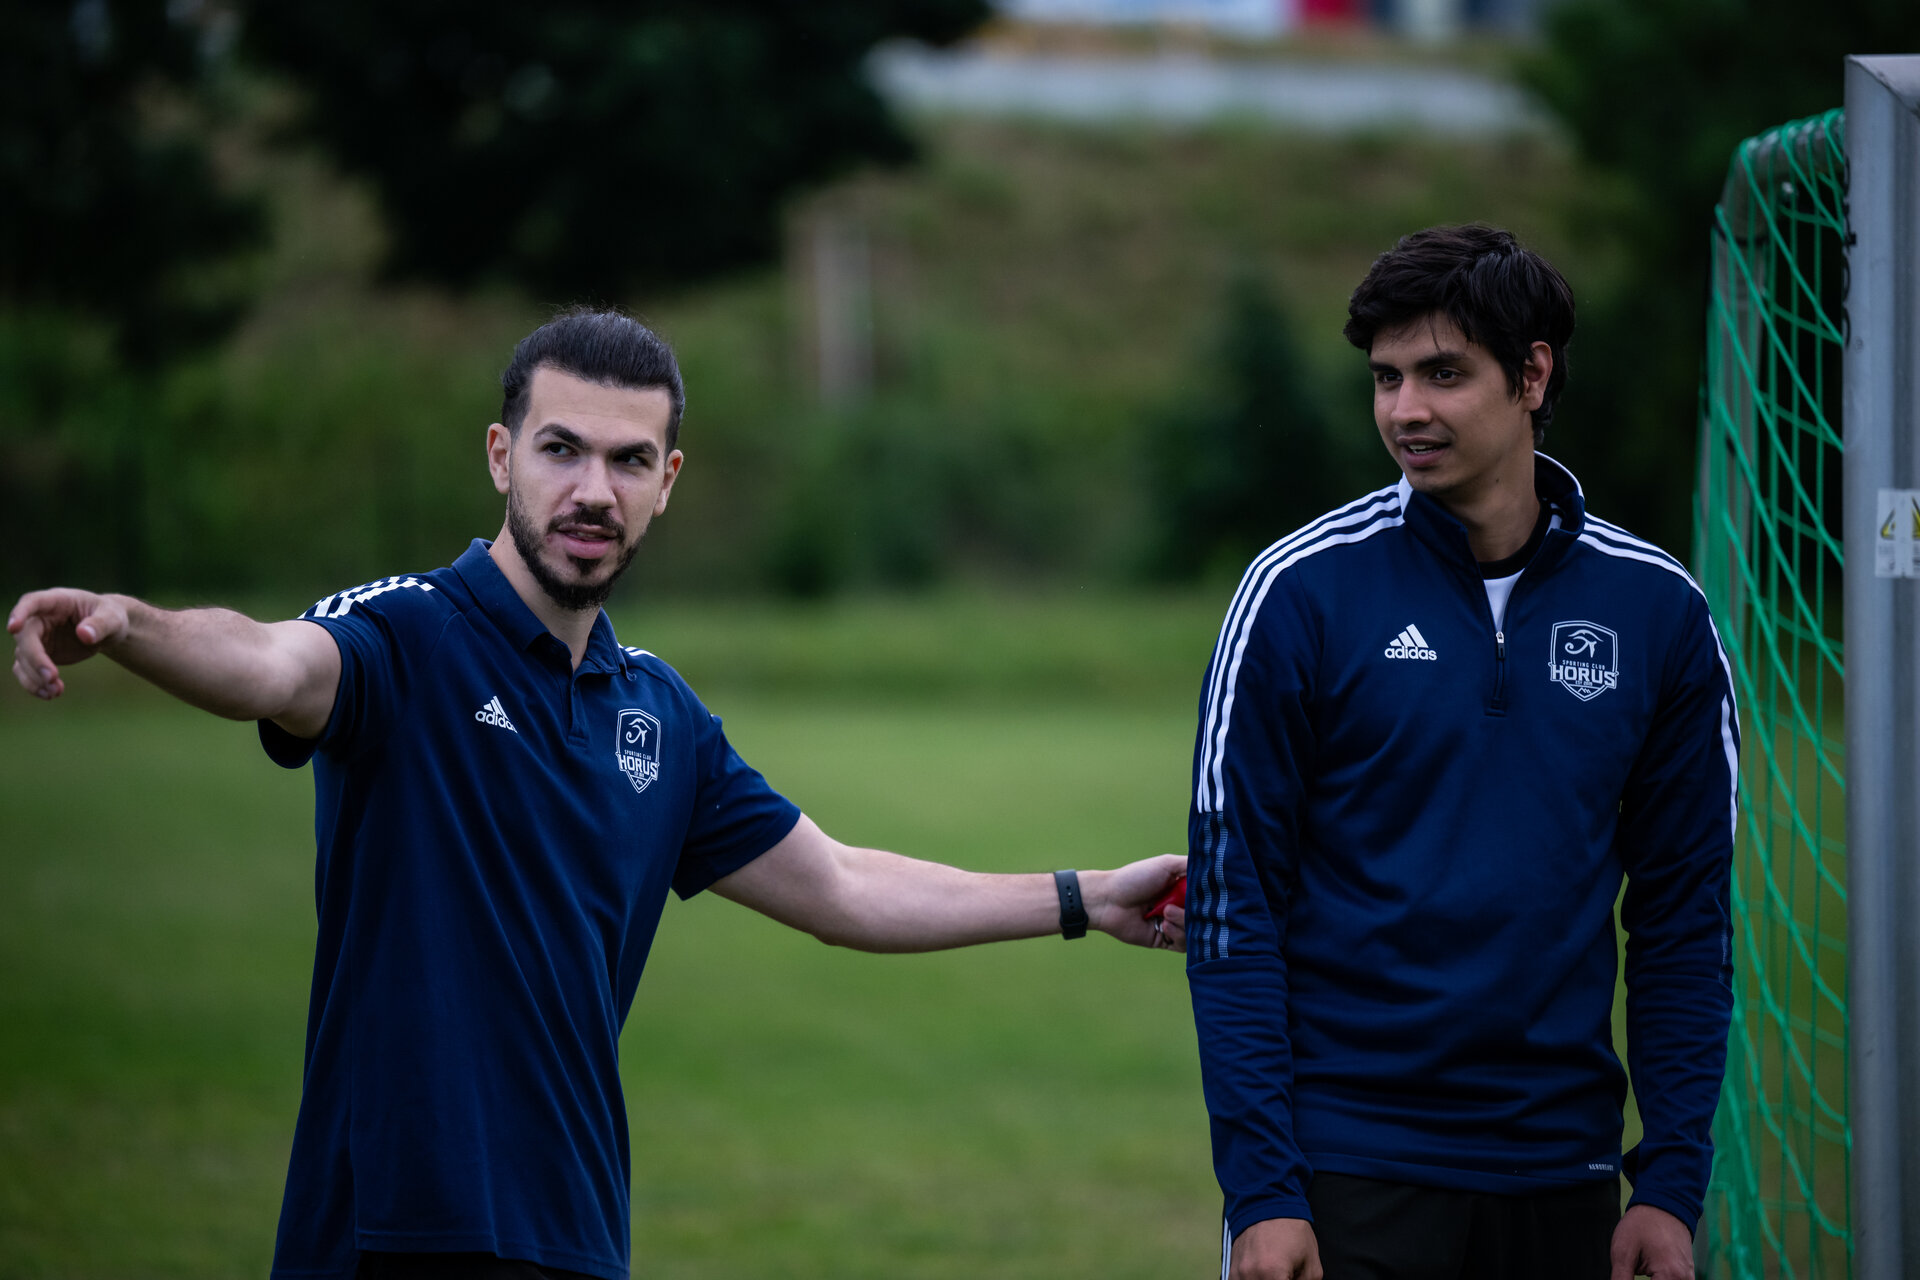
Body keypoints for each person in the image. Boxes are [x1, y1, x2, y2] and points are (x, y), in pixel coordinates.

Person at [7, 308, 1189, 1280]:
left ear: (666, 482)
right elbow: (268, 662)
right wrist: (135, 627)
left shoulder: (660, 714)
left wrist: (1085, 896)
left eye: (628, 461)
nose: (593, 489)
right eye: (561, 449)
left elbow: (841, 885)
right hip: (390, 1230)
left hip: (574, 1232)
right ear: (500, 455)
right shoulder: (408, 635)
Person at [1183, 225, 1735, 1280]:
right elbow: (1230, 909)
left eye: (1443, 373)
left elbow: (1685, 918)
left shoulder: (1657, 610)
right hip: (1346, 1164)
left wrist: (1669, 1184)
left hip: (1563, 1168)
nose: (1405, 410)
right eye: (1385, 377)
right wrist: (1262, 1191)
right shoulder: (1296, 593)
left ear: (1532, 376)